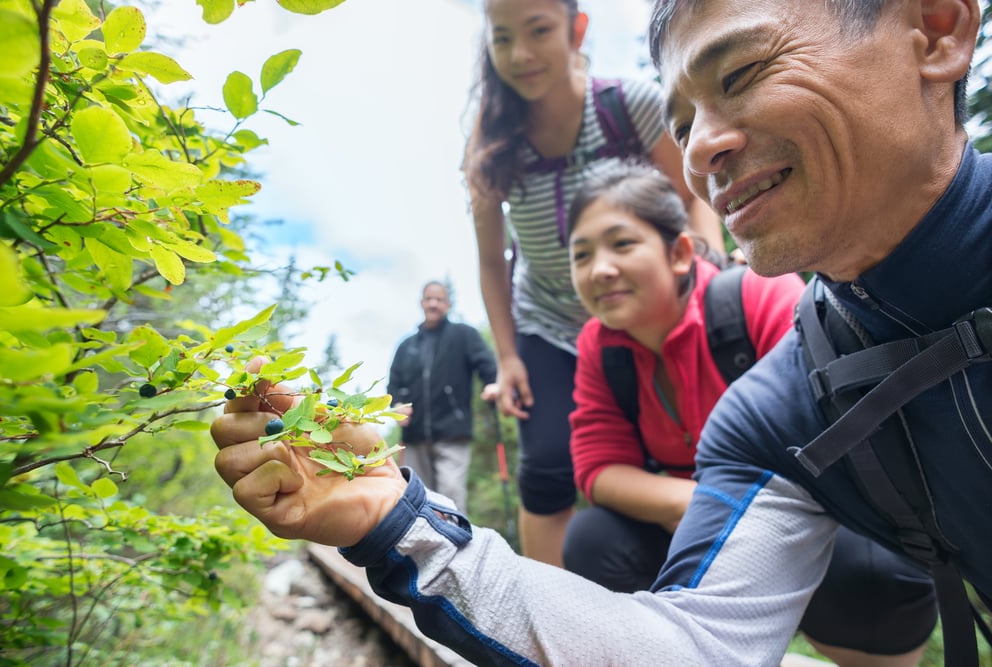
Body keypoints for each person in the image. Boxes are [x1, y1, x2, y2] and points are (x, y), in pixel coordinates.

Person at [211, 1, 992, 664]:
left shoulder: (757, 322)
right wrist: (397, 523)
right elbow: (690, 642)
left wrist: (713, 261)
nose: (700, 151)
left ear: (936, 27)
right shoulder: (779, 409)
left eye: (743, 72)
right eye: (683, 123)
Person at [562, 161, 935, 664]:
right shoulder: (599, 349)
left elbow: (836, 427)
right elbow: (599, 469)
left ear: (679, 253)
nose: (598, 269)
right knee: (593, 540)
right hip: (691, 517)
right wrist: (699, 505)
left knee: (874, 575)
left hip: (805, 511)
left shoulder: (756, 295)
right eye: (581, 255)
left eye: (621, 244)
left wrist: (731, 514)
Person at [463, 0, 723, 566]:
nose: (520, 54)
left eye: (538, 31)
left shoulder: (628, 106)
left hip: (648, 317)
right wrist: (507, 357)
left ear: (576, 29)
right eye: (502, 38)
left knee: (673, 457)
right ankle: (544, 631)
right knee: (548, 463)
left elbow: (695, 198)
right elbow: (490, 261)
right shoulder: (490, 142)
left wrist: (711, 282)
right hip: (550, 324)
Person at [387, 281, 498, 512]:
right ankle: (420, 548)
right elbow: (393, 384)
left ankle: (457, 544)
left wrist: (492, 385)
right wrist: (396, 405)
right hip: (415, 435)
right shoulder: (406, 346)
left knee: (451, 494)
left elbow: (487, 364)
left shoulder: (464, 335)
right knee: (417, 497)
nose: (433, 304)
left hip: (452, 432)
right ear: (422, 303)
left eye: (439, 299)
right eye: (429, 299)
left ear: (448, 304)